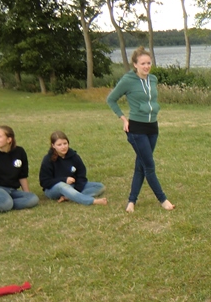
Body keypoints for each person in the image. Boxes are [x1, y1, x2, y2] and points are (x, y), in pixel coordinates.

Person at [106, 46, 175, 213]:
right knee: (149, 166)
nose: (146, 66)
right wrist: (123, 118)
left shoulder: (153, 79)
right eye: (143, 63)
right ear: (135, 64)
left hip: (152, 127)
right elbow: (111, 99)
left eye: (149, 63)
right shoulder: (128, 80)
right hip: (136, 129)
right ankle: (163, 199)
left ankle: (131, 201)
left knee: (141, 166)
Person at [39, 131, 107, 206]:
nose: (63, 147)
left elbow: (81, 175)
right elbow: (44, 182)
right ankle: (91, 201)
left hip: (73, 185)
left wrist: (77, 188)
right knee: (61, 185)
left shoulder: (74, 156)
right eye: (59, 145)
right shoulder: (48, 159)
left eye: (65, 143)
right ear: (53, 146)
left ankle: (70, 196)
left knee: (100, 186)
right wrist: (64, 180)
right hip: (54, 189)